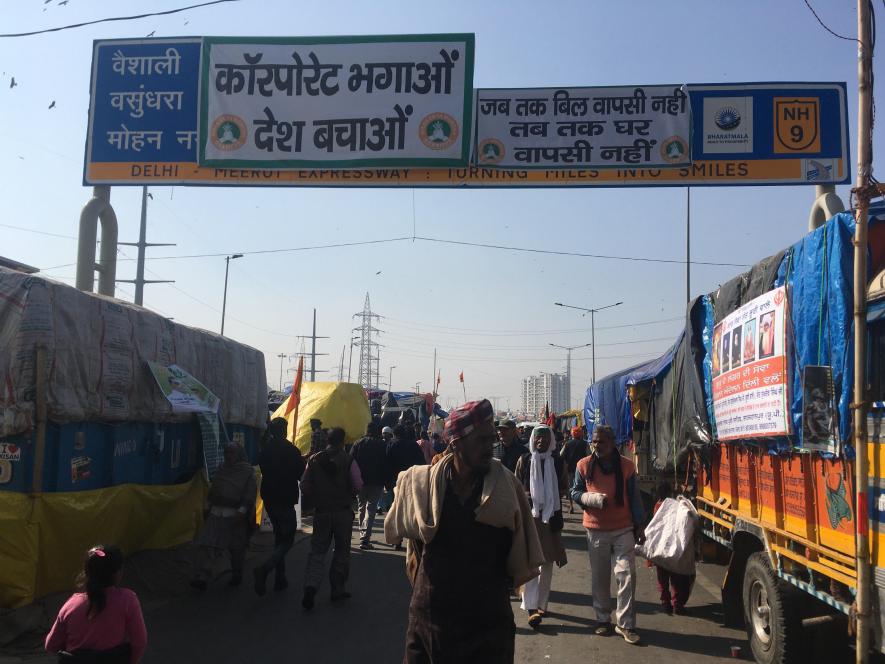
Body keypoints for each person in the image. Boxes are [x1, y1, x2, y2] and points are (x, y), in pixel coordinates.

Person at [385, 399, 544, 663]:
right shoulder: (423, 486)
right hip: (430, 619)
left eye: (490, 439)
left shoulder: (507, 489)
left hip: (489, 625)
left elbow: (518, 553)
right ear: (456, 442)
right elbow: (416, 549)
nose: (489, 447)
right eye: (481, 441)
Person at [570, 424, 645, 645]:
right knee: (600, 578)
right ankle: (603, 619)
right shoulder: (583, 465)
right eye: (594, 441)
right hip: (595, 530)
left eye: (601, 441)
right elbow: (574, 491)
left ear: (612, 442)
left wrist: (640, 526)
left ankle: (626, 624)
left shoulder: (627, 466)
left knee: (627, 575)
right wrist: (589, 499)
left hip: (623, 528)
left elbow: (634, 498)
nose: (596, 445)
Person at [45, 545, 147, 664]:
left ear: (87, 572)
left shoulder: (70, 605)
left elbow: (50, 645)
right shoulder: (127, 600)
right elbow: (140, 642)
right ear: (117, 573)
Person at [300, 427, 362, 610]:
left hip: (321, 512)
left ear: (327, 440)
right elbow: (358, 485)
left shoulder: (314, 459)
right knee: (341, 551)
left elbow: (304, 486)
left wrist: (318, 493)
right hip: (342, 512)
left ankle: (311, 586)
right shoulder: (349, 460)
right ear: (343, 442)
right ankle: (337, 588)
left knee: (317, 551)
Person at [514, 426, 568, 628]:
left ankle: (542, 605)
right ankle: (531, 607)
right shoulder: (524, 460)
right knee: (531, 562)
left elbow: (565, 485)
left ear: (551, 440)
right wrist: (529, 496)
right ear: (532, 440)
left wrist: (551, 495)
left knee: (546, 564)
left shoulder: (558, 462)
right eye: (538, 437)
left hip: (551, 518)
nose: (541, 441)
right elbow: (516, 485)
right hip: (530, 517)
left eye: (545, 437)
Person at [190, 444, 257, 590]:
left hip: (235, 515)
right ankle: (202, 577)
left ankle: (236, 573)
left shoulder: (247, 471)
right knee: (208, 544)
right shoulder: (222, 468)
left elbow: (250, 494)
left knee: (236, 548)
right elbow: (215, 489)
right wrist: (207, 506)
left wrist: (242, 511)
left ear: (239, 455)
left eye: (232, 453)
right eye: (226, 452)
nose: (228, 455)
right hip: (216, 512)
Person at [253, 417, 306, 596]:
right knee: (287, 540)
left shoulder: (265, 449)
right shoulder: (292, 451)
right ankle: (266, 568)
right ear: (284, 430)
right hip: (285, 497)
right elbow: (300, 474)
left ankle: (280, 578)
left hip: (270, 497)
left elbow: (263, 467)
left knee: (279, 537)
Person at [650, 481, 694, 615]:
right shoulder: (674, 506)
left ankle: (665, 604)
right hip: (671, 549)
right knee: (676, 580)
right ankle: (677, 606)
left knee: (662, 581)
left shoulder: (657, 506)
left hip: (659, 549)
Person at [350, 421, 389, 550]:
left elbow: (350, 461)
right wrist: (386, 482)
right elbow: (385, 464)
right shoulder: (382, 444)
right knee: (371, 509)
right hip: (377, 481)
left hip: (360, 481)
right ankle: (365, 538)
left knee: (361, 507)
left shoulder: (358, 443)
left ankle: (363, 534)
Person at [559, 426, 589, 513]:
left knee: (571, 488)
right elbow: (589, 455)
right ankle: (584, 505)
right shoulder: (585, 444)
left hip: (570, 469)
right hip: (582, 469)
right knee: (583, 487)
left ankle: (571, 506)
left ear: (572, 434)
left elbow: (561, 455)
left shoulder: (567, 444)